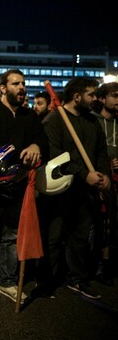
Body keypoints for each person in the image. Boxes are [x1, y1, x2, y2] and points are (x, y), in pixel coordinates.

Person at [0, 69, 47, 304]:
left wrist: (35, 145)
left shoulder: (29, 116)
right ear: (3, 88)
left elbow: (43, 141)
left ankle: (8, 281)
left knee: (12, 235)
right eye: (16, 83)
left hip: (20, 185)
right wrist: (17, 156)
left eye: (23, 83)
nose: (22, 87)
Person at [39, 78, 110, 300]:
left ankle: (77, 278)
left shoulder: (92, 122)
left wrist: (104, 174)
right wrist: (83, 173)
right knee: (54, 236)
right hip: (60, 189)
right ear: (77, 97)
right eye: (91, 95)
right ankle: (47, 280)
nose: (96, 99)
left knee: (80, 236)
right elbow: (54, 155)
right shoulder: (54, 121)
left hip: (86, 192)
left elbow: (101, 152)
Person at [91, 82, 118, 284]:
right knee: (97, 223)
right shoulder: (93, 121)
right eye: (114, 96)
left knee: (111, 224)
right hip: (98, 178)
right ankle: (94, 265)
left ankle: (107, 266)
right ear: (101, 98)